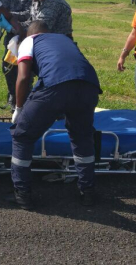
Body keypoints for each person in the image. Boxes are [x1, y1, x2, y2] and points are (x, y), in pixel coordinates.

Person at [9, 21, 101, 209]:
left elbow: (24, 77)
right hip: (88, 86)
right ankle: (88, 192)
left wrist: (19, 109)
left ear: (30, 33)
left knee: (22, 136)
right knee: (82, 137)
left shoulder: (29, 40)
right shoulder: (65, 39)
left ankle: (22, 194)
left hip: (55, 87)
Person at [0, 0, 33, 111]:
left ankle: (27, 99)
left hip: (30, 35)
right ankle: (13, 95)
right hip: (11, 36)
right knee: (8, 67)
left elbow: (32, 13)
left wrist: (11, 17)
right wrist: (9, 22)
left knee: (28, 69)